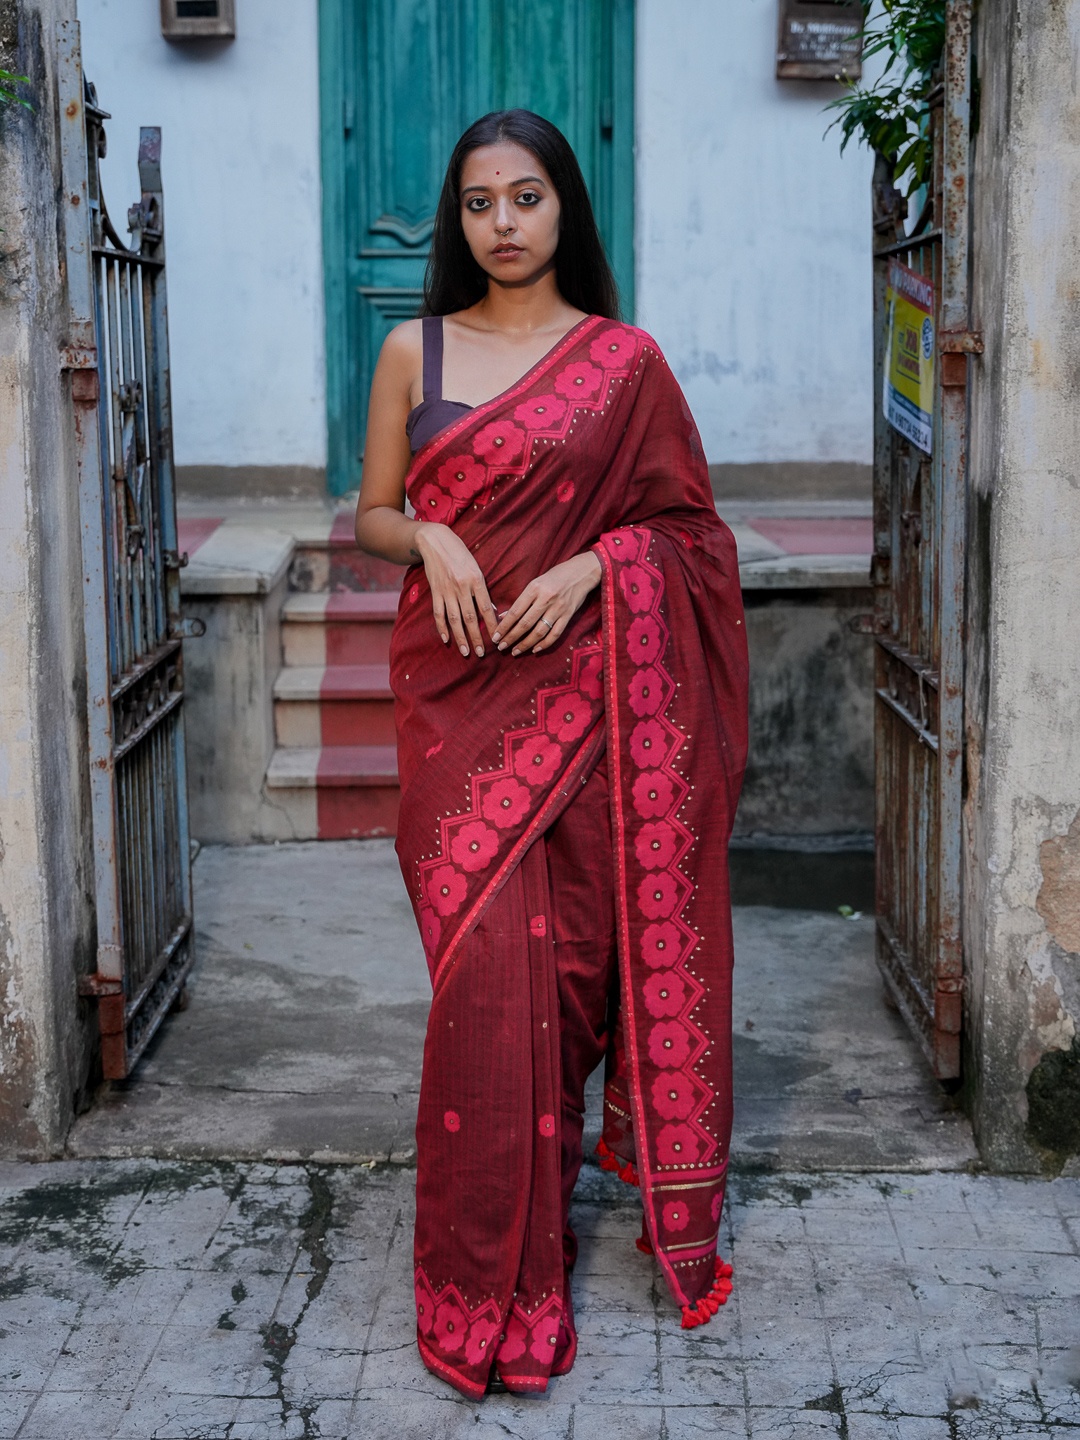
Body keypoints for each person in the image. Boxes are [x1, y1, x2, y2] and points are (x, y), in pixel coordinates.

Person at [354, 109, 748, 1399]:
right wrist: (434, 539)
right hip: (453, 705)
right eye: (478, 203)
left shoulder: (626, 365)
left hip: (587, 708)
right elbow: (370, 515)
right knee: (481, 994)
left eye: (527, 197)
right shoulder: (411, 352)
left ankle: (542, 1249)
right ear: (456, 220)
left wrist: (596, 563)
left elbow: (691, 538)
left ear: (564, 207)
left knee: (570, 976)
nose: (504, 223)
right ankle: (475, 1289)